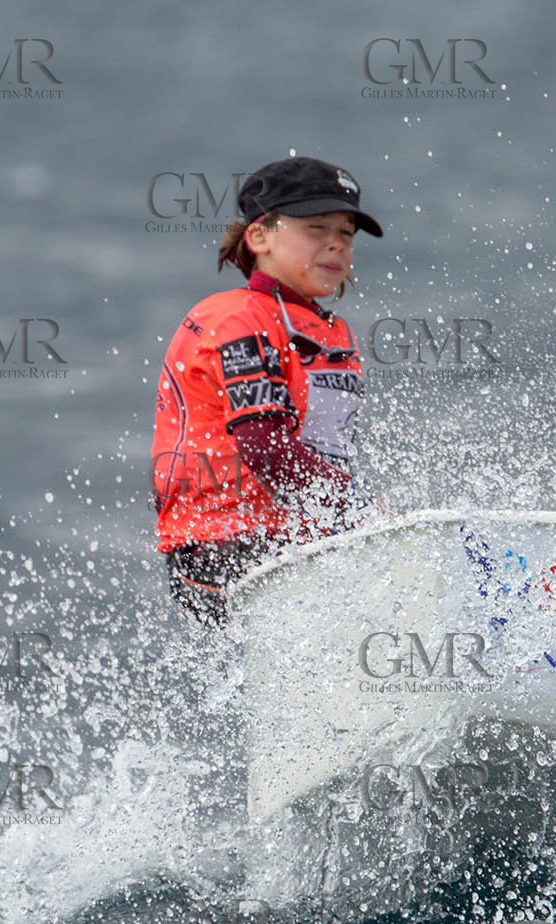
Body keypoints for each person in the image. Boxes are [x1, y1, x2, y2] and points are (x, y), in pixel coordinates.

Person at [150, 156, 383, 623]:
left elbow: (321, 455)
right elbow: (266, 448)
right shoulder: (237, 318)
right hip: (221, 548)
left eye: (346, 233)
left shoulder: (335, 334)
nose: (336, 244)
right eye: (316, 228)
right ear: (258, 237)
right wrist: (362, 513)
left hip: (292, 541)